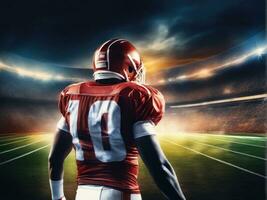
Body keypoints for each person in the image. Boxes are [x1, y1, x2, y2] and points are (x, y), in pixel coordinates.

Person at [48, 39, 186, 200]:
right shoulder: (132, 97)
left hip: (84, 194)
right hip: (121, 193)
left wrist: (57, 197)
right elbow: (159, 167)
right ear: (128, 67)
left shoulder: (73, 97)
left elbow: (54, 158)